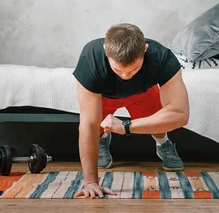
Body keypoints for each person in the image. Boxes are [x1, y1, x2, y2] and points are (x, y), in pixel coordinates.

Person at [72, 23, 190, 198]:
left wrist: (126, 126)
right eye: (118, 69)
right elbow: (88, 124)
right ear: (106, 51)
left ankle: (163, 143)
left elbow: (180, 114)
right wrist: (91, 182)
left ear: (145, 50)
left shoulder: (162, 57)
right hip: (103, 96)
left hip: (143, 92)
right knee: (94, 124)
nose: (126, 76)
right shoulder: (91, 58)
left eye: (134, 69)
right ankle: (102, 139)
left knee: (159, 120)